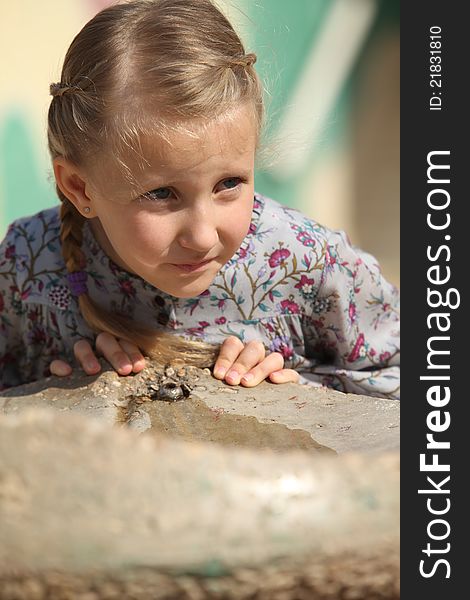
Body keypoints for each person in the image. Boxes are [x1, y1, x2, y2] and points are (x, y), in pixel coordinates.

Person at [0, 0, 399, 398]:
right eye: (160, 194)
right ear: (79, 188)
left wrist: (305, 386)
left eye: (229, 184)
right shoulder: (29, 265)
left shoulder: (307, 265)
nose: (203, 236)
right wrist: (51, 387)